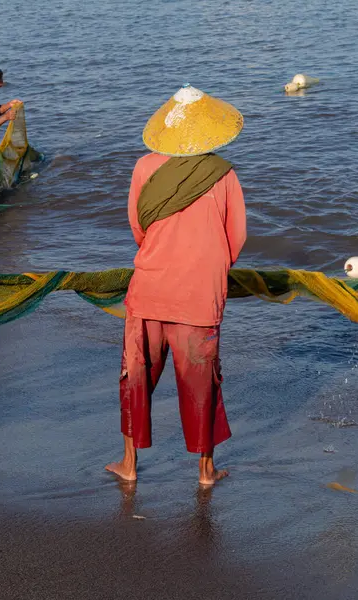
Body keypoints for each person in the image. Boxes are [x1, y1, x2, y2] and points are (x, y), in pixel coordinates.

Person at [106, 84, 247, 486]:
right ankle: (205, 471)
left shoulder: (144, 167)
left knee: (136, 378)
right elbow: (235, 239)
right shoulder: (224, 174)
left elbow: (138, 228)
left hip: (149, 290)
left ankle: (130, 466)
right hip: (199, 298)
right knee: (201, 382)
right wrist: (208, 269)